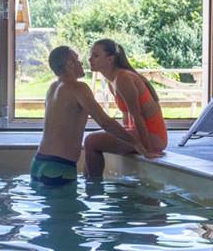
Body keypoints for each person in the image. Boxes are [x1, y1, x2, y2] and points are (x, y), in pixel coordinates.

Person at [31, 46, 149, 187]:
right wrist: (135, 143)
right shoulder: (78, 88)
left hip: (38, 163)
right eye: (78, 60)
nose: (82, 63)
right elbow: (105, 122)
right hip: (59, 167)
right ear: (70, 64)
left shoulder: (52, 88)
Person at [84, 39, 168, 179]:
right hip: (140, 134)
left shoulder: (123, 78)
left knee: (91, 141)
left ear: (110, 59)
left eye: (95, 55)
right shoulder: (112, 81)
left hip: (153, 137)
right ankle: (90, 181)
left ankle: (93, 186)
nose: (90, 59)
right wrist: (124, 137)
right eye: (91, 55)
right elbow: (126, 118)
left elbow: (137, 117)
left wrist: (147, 150)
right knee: (95, 139)